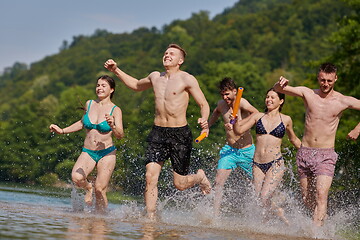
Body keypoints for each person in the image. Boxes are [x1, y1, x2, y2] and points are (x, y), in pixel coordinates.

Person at [104, 43, 212, 220]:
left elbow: (203, 104)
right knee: (150, 177)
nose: (167, 55)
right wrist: (116, 70)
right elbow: (136, 85)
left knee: (180, 184)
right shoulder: (155, 77)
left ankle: (200, 177)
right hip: (158, 133)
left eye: (172, 54)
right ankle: (151, 218)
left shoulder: (187, 79)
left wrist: (204, 120)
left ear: (180, 60)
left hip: (180, 134)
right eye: (166, 53)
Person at [273, 62, 360, 226]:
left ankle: (315, 235)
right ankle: (323, 223)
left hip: (325, 155)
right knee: (307, 200)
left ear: (336, 79)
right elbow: (279, 89)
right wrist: (280, 84)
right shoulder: (308, 94)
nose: (325, 84)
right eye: (322, 80)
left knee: (321, 195)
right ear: (318, 78)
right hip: (305, 152)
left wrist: (358, 128)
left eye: (329, 80)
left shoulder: (342, 100)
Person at [49, 75, 124, 213]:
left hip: (107, 153)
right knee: (76, 177)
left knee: (100, 189)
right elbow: (82, 123)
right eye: (98, 85)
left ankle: (101, 221)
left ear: (112, 90)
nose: (99, 88)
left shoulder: (115, 110)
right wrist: (62, 130)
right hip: (88, 151)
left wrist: (112, 125)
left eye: (103, 86)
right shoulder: (89, 104)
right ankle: (89, 187)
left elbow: (120, 135)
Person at [233, 88, 301, 224]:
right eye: (267, 97)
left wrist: (308, 151)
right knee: (259, 200)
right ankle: (268, 225)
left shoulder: (286, 119)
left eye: (272, 97)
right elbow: (239, 131)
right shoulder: (258, 116)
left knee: (264, 197)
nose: (268, 99)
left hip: (275, 163)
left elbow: (293, 139)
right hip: (257, 164)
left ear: (281, 101)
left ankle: (271, 220)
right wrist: (234, 122)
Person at [208, 77, 259, 216]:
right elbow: (216, 113)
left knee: (258, 184)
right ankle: (215, 216)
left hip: (247, 151)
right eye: (222, 94)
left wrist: (239, 124)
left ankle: (262, 213)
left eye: (227, 94)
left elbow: (257, 114)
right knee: (218, 182)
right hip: (230, 151)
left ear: (234, 92)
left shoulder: (241, 102)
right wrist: (208, 126)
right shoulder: (221, 104)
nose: (225, 97)